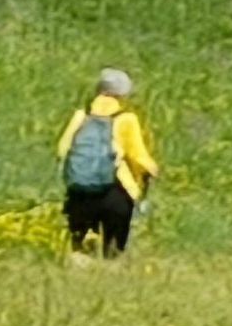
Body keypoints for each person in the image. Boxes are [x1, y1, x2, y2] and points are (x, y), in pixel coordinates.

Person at [56, 68, 160, 259]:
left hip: (79, 191)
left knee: (81, 251)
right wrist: (151, 171)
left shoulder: (81, 116)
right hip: (115, 191)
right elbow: (138, 157)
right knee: (112, 251)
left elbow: (62, 150)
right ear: (123, 94)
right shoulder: (126, 119)